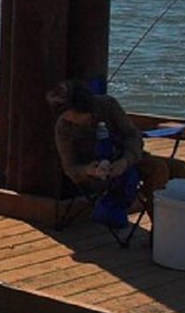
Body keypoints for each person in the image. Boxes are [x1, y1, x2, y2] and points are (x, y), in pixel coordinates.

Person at [47, 80, 148, 228]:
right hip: (95, 174)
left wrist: (125, 161)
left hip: (125, 158)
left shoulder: (108, 105)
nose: (77, 119)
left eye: (82, 114)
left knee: (178, 168)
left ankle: (164, 224)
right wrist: (87, 170)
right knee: (159, 171)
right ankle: (160, 226)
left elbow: (133, 135)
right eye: (72, 116)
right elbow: (69, 167)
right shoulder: (63, 128)